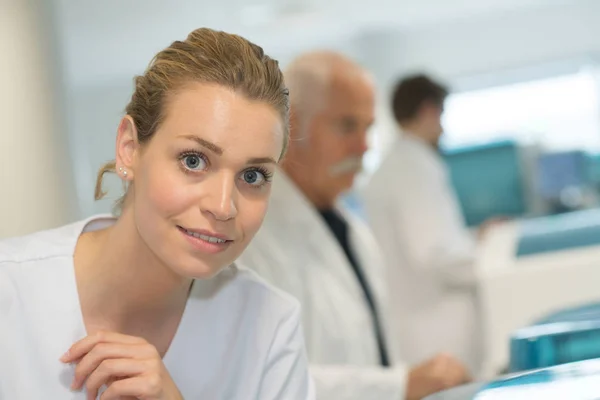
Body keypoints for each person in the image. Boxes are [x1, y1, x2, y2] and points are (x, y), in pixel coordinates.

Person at [0, 28, 315, 399]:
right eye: (194, 160)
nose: (223, 206)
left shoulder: (269, 326)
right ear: (129, 149)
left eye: (252, 175)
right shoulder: (11, 291)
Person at [238, 52, 470, 400]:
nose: (363, 146)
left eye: (368, 128)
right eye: (347, 126)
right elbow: (262, 378)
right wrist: (399, 386)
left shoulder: (352, 229)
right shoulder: (251, 241)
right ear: (291, 127)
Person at [362, 74, 488, 374]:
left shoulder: (396, 166)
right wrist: (490, 263)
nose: (442, 127)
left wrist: (472, 239)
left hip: (417, 327)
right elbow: (434, 255)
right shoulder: (414, 168)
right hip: (438, 331)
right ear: (429, 111)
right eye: (441, 115)